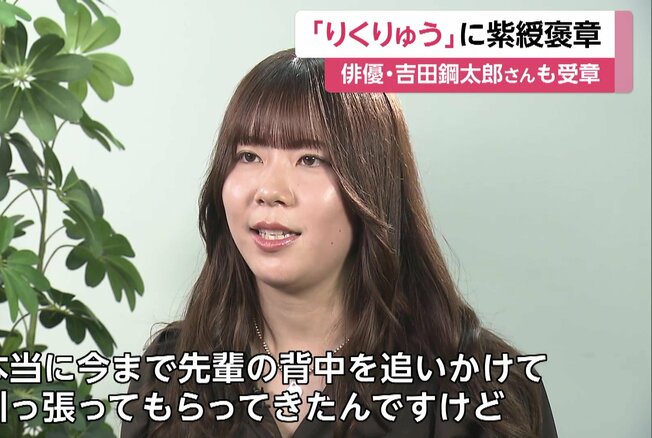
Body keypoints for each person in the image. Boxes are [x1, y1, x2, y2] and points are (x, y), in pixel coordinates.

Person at [119, 48, 558, 438]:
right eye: (249, 156)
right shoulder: (170, 374)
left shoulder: (483, 389)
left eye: (310, 159)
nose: (270, 191)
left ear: (372, 185)